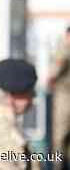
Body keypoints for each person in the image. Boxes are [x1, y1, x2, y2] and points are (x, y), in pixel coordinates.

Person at [48, 26, 70, 170]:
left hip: (65, 96)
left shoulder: (64, 49)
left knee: (60, 136)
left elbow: (55, 71)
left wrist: (50, 80)